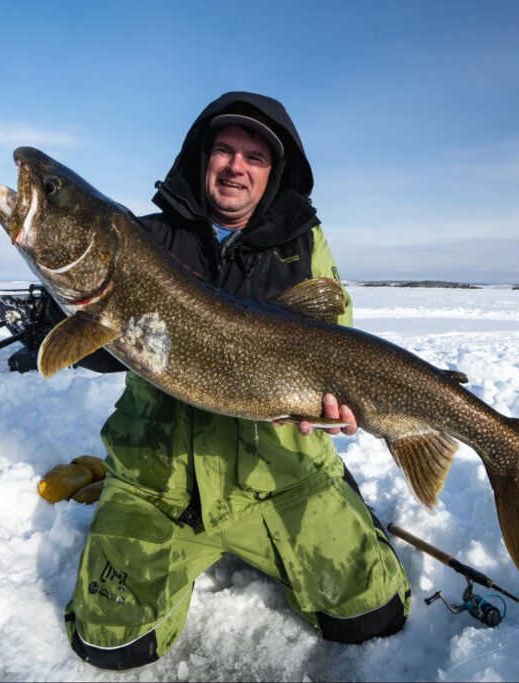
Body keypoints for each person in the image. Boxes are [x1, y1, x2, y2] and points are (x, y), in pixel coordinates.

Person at [62, 92, 411, 670]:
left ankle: (335, 490)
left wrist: (338, 405)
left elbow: (336, 345)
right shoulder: (144, 238)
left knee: (372, 618)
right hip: (160, 483)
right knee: (111, 644)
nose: (235, 166)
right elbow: (94, 356)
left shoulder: (302, 247)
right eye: (224, 150)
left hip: (277, 473)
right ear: (203, 158)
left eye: (254, 157)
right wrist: (70, 311)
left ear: (274, 174)